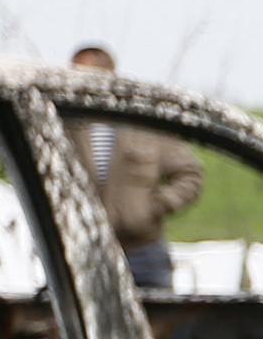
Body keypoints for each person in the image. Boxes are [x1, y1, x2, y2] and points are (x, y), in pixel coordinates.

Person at [60, 44, 203, 295]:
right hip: (84, 250)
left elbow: (189, 175)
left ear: (110, 75)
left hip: (143, 251)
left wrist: (155, 206)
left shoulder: (143, 123)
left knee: (159, 328)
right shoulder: (64, 126)